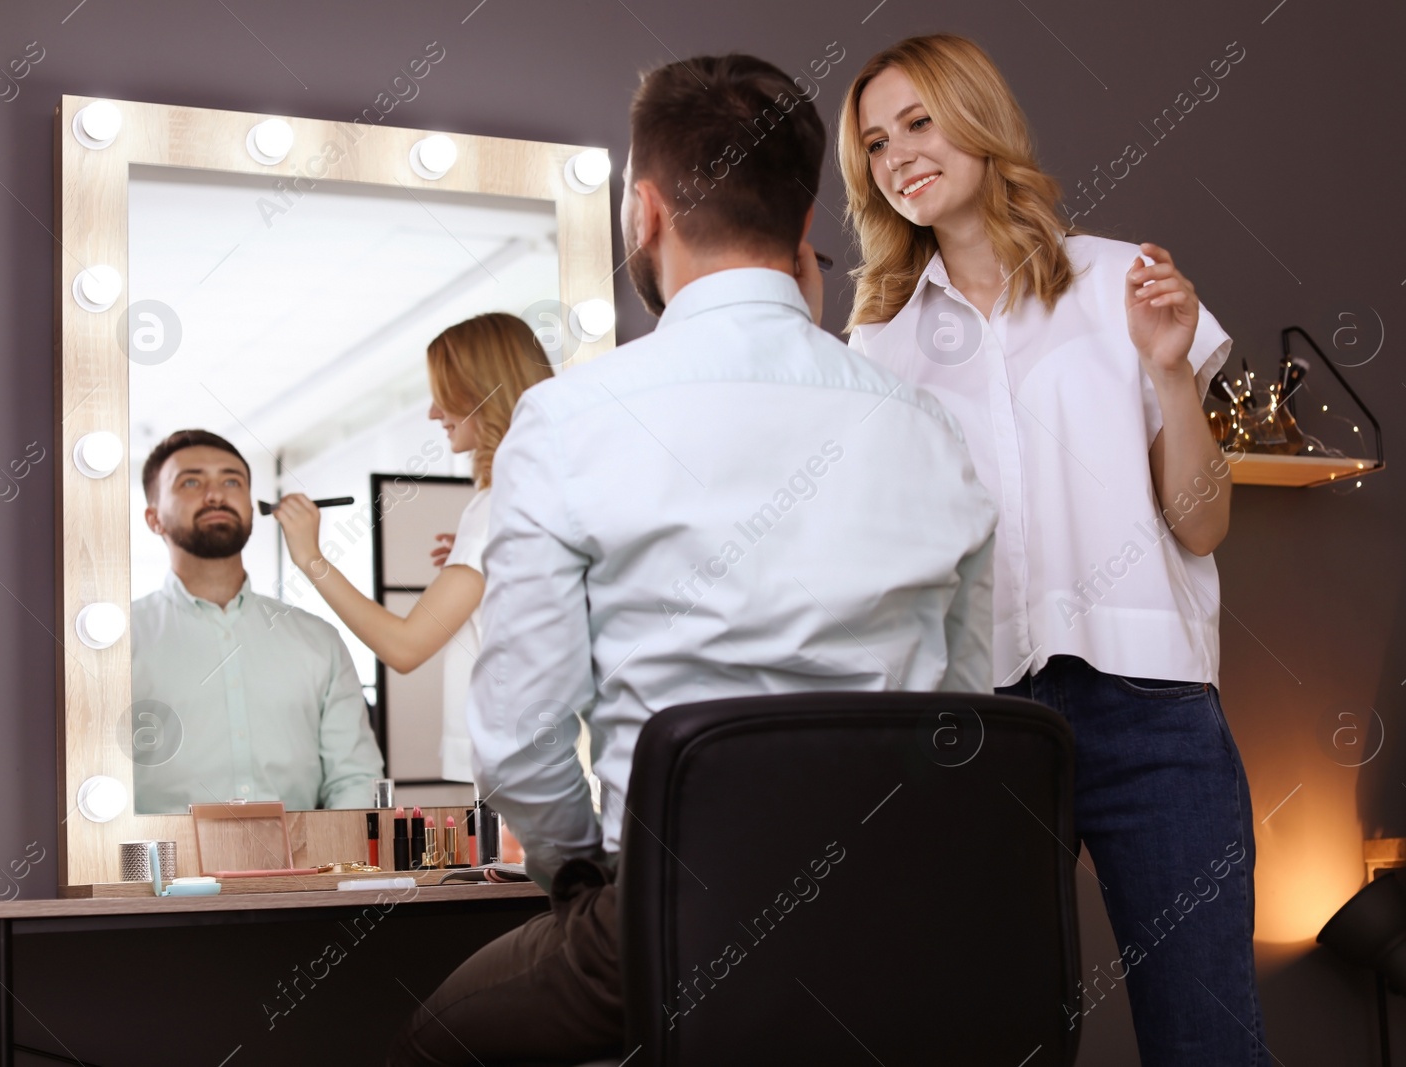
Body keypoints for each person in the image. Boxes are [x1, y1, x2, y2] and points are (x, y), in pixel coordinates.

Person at [385, 52, 998, 1066]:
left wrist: (582, 880)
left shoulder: (567, 419)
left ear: (647, 210)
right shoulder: (928, 427)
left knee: (435, 1035)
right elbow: (967, 703)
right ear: (805, 227)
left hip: (678, 915)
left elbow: (519, 738)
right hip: (902, 923)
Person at [838, 34, 1261, 1065]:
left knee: (1206, 1040)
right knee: (993, 1037)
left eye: (918, 122)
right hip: (979, 724)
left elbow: (1202, 523)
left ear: (978, 118)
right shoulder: (878, 346)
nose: (898, 156)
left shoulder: (1123, 280)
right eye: (875, 143)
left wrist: (1167, 374)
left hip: (1152, 710)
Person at [273, 313, 553, 782]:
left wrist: (311, 560)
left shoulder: (498, 506)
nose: (432, 413)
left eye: (444, 394)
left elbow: (403, 647)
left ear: (480, 390)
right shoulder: (536, 489)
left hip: (517, 757)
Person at [130, 429, 383, 813]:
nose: (215, 494)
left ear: (252, 507)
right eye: (191, 481)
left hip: (306, 869)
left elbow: (356, 780)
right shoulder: (118, 642)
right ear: (154, 519)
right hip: (161, 871)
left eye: (232, 481)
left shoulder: (319, 641)